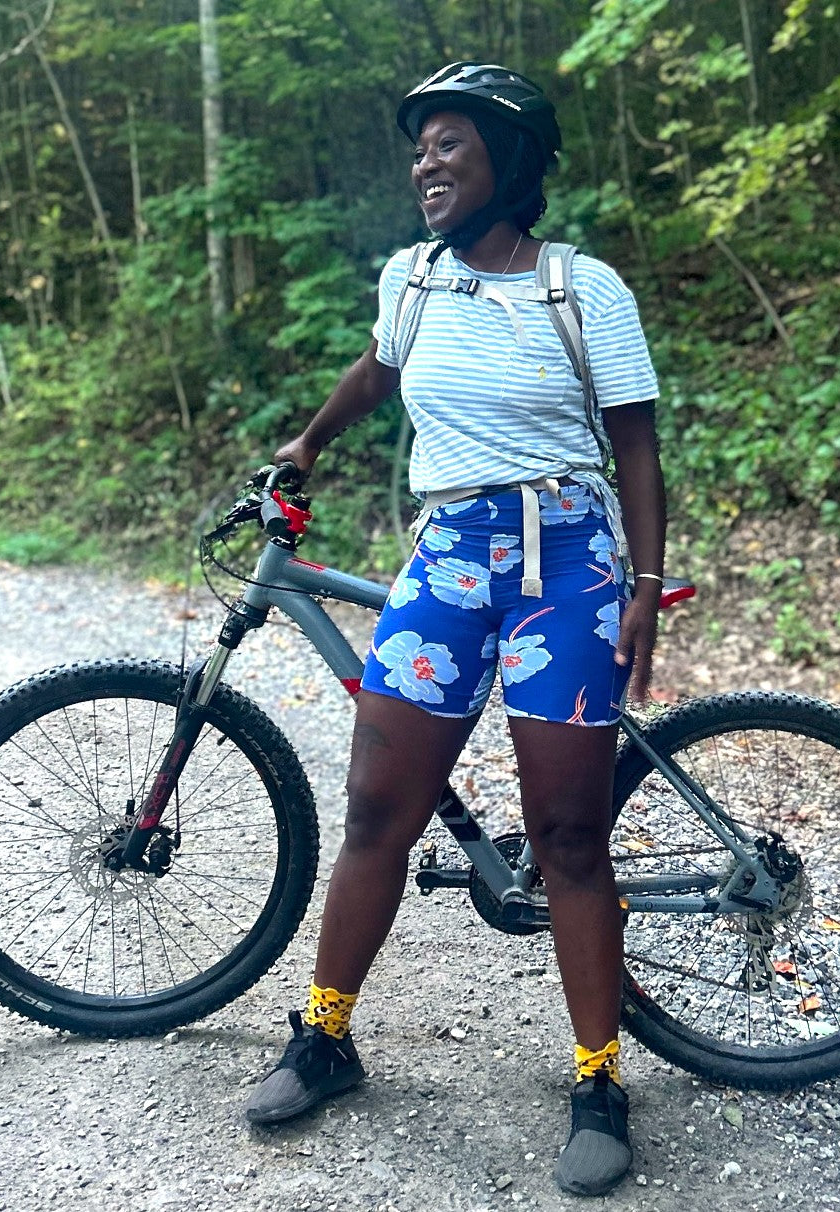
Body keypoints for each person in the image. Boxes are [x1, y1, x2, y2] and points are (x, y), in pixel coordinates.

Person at [245, 61, 665, 1198]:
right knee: (379, 810)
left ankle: (599, 1081)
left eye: (450, 145)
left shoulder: (585, 289)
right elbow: (380, 369)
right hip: (449, 557)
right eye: (419, 148)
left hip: (569, 562)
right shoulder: (413, 279)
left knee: (569, 835)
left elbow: (635, 442)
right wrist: (309, 441)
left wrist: (644, 581)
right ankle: (325, 1038)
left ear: (508, 162)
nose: (425, 164)